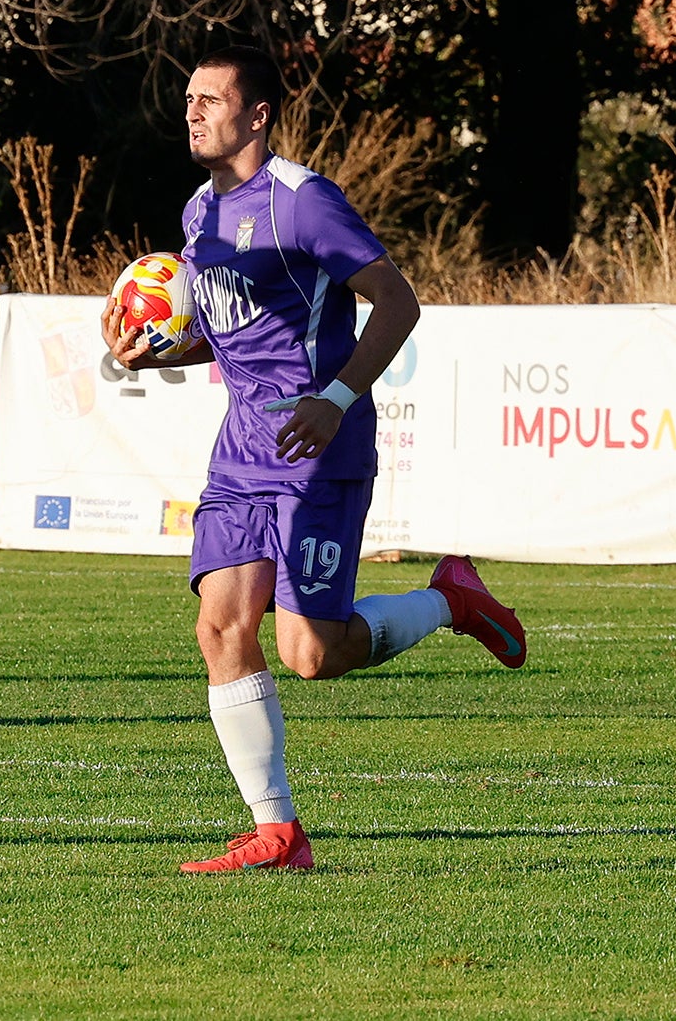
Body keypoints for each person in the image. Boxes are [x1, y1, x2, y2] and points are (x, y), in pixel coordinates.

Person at [105, 44, 527, 873]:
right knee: (219, 626)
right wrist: (152, 353)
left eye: (210, 99)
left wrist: (334, 402)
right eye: (188, 98)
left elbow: (399, 303)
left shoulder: (304, 204)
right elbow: (225, 332)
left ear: (257, 114)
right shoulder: (198, 214)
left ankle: (451, 601)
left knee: (311, 655)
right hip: (241, 452)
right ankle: (277, 833)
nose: (192, 111)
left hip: (317, 451)